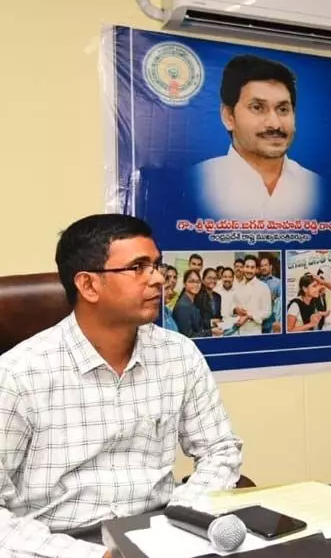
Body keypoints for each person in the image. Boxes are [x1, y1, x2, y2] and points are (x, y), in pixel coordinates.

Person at [0, 214, 243, 558]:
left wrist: (183, 516)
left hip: (159, 534)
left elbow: (220, 450)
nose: (158, 279)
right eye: (138, 267)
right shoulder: (19, 373)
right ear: (88, 285)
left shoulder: (179, 354)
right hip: (57, 544)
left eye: (156, 265)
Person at [194, 54, 320, 220]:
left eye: (283, 110)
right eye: (257, 108)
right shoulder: (198, 182)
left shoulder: (316, 186)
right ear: (229, 117)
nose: (275, 124)